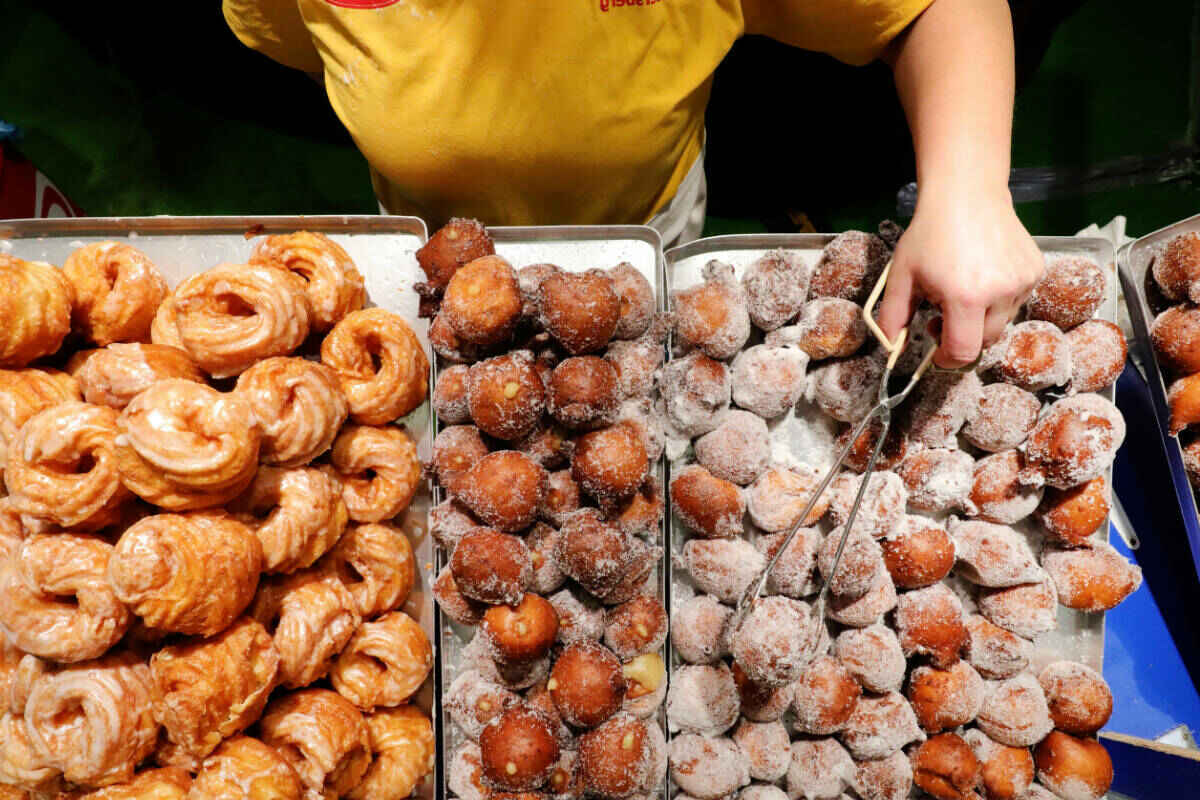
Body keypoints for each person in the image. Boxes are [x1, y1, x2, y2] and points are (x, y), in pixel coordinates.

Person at [223, 0, 1044, 368]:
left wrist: (970, 188)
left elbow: (940, 8)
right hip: (428, 230)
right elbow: (301, 41)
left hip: (650, 215)